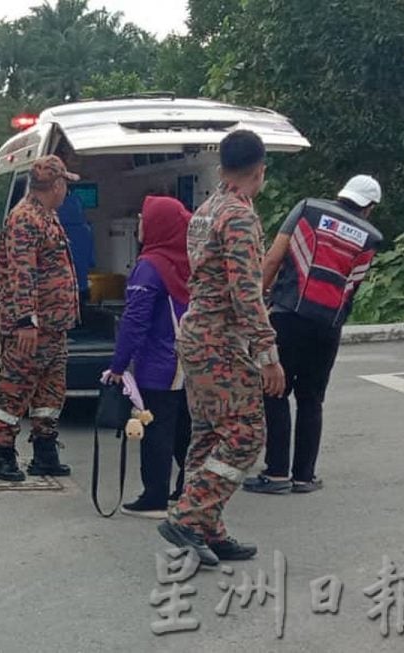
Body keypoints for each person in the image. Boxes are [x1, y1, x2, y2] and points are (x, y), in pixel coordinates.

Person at [157, 130, 286, 567]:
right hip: (220, 340)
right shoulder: (239, 216)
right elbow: (245, 291)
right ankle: (191, 517)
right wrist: (267, 353)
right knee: (246, 433)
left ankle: (208, 528)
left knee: (209, 434)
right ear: (260, 168)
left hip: (197, 336)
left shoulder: (207, 209)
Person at [244, 175, 384, 495]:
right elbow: (351, 285)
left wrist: (256, 302)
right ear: (370, 208)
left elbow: (274, 258)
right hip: (327, 327)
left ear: (342, 192)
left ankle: (277, 473)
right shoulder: (371, 237)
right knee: (311, 399)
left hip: (289, 315)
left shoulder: (308, 208)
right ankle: (304, 477)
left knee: (275, 390)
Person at [0, 155, 81, 482]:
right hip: (33, 328)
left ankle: (44, 452)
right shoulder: (25, 218)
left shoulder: (47, 216)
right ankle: (2, 456)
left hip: (53, 327)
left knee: (49, 395)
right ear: (56, 185)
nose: (66, 189)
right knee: (15, 391)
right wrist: (26, 321)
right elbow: (21, 272)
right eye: (65, 183)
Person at [107, 196, 193, 518]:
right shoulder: (187, 261)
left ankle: (154, 497)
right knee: (185, 429)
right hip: (188, 361)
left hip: (158, 363)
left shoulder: (150, 266)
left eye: (144, 219)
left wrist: (118, 365)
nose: (140, 224)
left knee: (155, 429)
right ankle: (188, 490)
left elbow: (134, 321)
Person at [59, 192, 95, 305]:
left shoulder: (54, 230)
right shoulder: (86, 231)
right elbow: (92, 262)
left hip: (59, 290)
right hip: (81, 288)